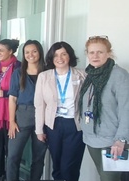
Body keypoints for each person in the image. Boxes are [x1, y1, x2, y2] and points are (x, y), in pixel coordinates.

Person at [78, 36, 129, 181]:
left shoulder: (119, 75)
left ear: (109, 53)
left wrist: (121, 140)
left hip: (113, 141)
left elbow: (126, 109)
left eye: (100, 52)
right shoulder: (90, 74)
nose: (95, 56)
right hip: (92, 138)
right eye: (91, 52)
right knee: (103, 177)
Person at [35, 42, 86, 181]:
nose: (60, 58)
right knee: (57, 165)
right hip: (53, 125)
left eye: (64, 54)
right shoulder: (44, 77)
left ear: (69, 56)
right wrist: (39, 130)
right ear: (51, 58)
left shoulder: (82, 75)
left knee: (70, 166)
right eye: (56, 55)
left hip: (75, 125)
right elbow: (40, 105)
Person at [6, 40, 47, 181]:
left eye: (34, 51)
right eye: (27, 52)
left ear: (40, 52)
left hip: (44, 117)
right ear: (23, 55)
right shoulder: (18, 73)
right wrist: (11, 121)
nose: (31, 55)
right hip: (22, 116)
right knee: (13, 156)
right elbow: (12, 99)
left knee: (38, 157)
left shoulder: (48, 72)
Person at [0, 39, 21, 180]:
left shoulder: (18, 67)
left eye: (2, 50)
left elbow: (22, 91)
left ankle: (10, 175)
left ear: (11, 51)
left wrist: (5, 94)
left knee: (10, 147)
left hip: (11, 111)